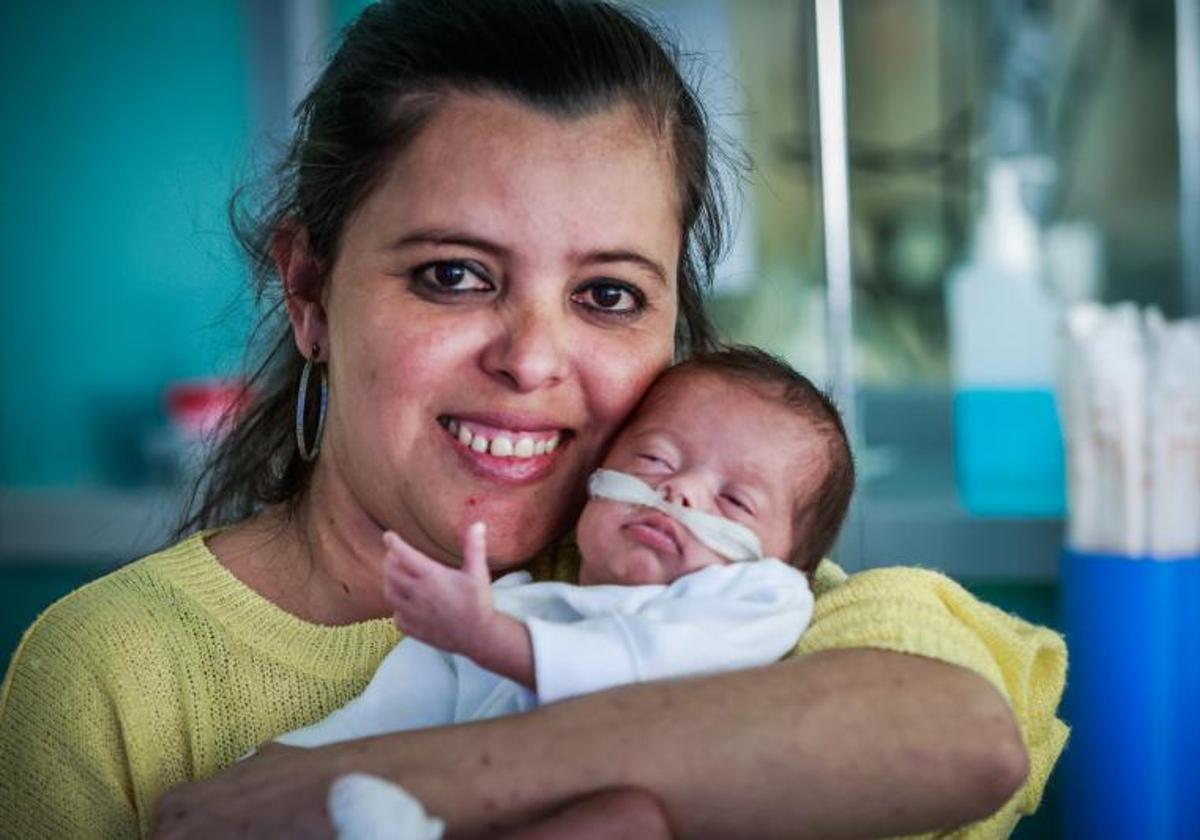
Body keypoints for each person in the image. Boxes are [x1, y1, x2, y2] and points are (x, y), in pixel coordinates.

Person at [0, 2, 1067, 838]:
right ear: (311, 293)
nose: (532, 359)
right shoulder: (116, 673)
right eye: (454, 275)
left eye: (607, 295)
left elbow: (961, 739)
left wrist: (361, 785)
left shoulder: (708, 587)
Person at [279, 347, 845, 838]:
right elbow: (377, 723)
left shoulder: (762, 599)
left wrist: (495, 641)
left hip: (644, 809)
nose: (680, 491)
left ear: (791, 563)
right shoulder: (516, 605)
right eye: (654, 460)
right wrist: (268, 773)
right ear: (598, 475)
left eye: (736, 502)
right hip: (463, 814)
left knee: (631, 820)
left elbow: (642, 671)